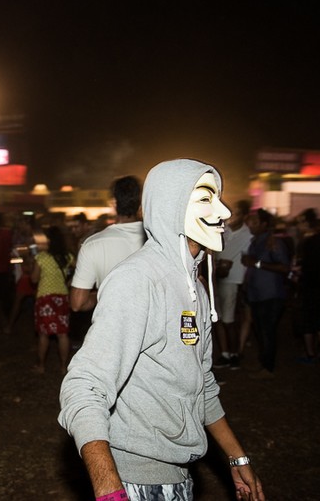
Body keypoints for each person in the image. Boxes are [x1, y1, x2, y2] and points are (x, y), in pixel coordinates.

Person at [59, 159, 264, 501]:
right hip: (135, 480)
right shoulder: (138, 280)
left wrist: (236, 456)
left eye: (219, 198)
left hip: (177, 475)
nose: (224, 212)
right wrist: (109, 489)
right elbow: (84, 385)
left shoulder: (195, 288)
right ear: (171, 207)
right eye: (205, 199)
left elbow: (202, 383)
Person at [70, 175, 145, 313]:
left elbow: (77, 303)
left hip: (110, 323)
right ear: (140, 204)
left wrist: (101, 295)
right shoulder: (157, 239)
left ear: (113, 203)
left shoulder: (93, 244)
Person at [242, 209, 291, 380]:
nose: (250, 225)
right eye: (249, 221)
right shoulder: (255, 242)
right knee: (260, 331)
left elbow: (285, 267)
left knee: (267, 331)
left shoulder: (274, 242)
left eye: (254, 222)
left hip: (271, 294)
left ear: (264, 224)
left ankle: (268, 368)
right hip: (257, 294)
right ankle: (264, 363)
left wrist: (256, 263)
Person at [213, 199, 253, 370]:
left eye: (236, 214)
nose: (230, 216)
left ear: (244, 216)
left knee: (229, 320)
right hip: (218, 279)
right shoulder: (225, 230)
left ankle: (234, 354)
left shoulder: (247, 235)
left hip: (234, 280)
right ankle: (225, 353)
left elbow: (227, 256)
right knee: (218, 319)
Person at [32, 225, 74, 374]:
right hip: (62, 297)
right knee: (62, 334)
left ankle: (41, 366)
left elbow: (34, 279)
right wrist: (69, 282)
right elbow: (80, 270)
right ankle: (63, 367)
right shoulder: (67, 257)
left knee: (44, 334)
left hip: (45, 298)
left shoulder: (41, 258)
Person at [295, 209, 320, 363]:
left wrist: (297, 272)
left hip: (308, 283)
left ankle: (310, 353)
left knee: (306, 318)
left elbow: (304, 265)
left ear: (306, 223)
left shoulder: (307, 242)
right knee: (319, 316)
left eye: (300, 223)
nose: (298, 226)